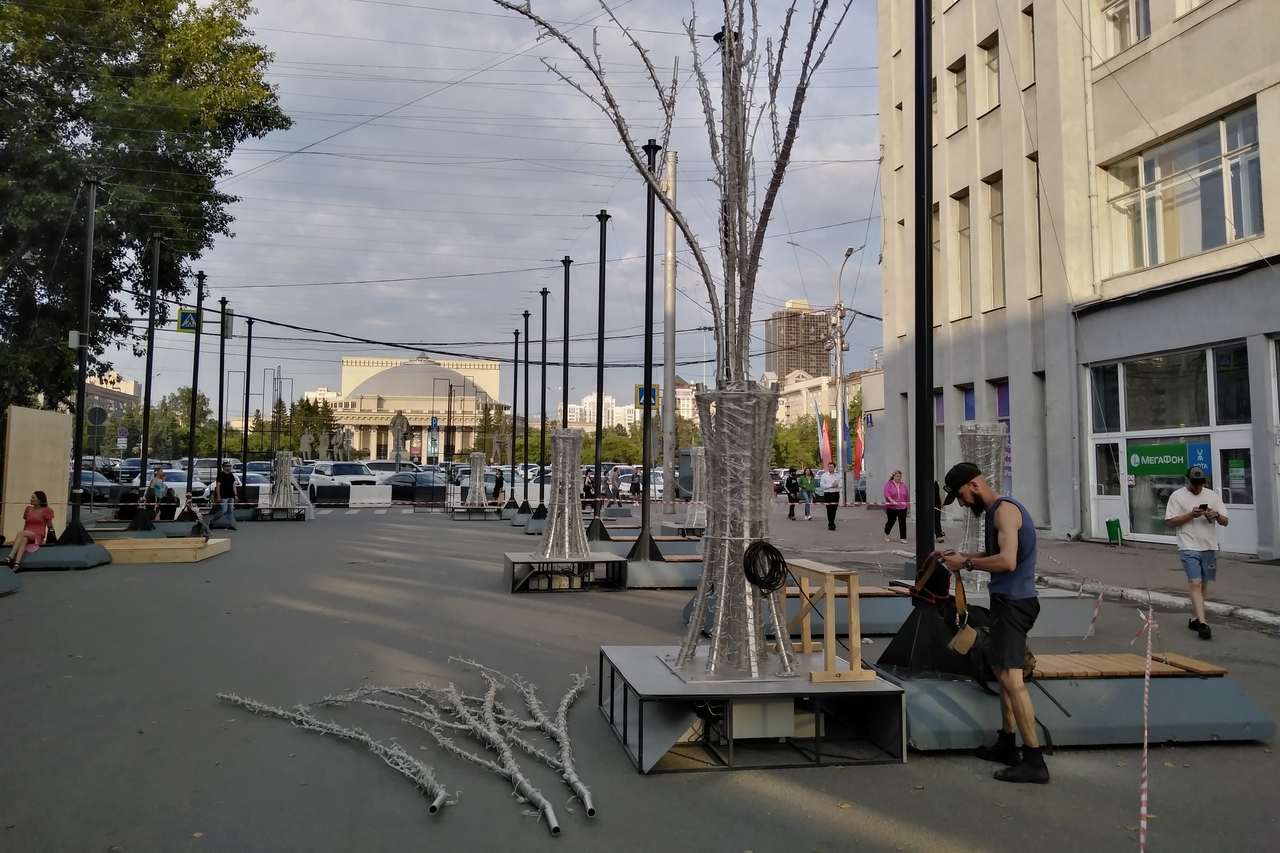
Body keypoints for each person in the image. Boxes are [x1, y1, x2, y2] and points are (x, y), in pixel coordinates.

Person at [940, 461, 1048, 784]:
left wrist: (967, 564)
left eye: (961, 496)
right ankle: (1007, 742)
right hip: (1005, 601)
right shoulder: (995, 512)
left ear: (974, 485)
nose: (961, 504)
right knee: (1001, 672)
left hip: (1015, 604)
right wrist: (961, 557)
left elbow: (1007, 560)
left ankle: (1034, 761)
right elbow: (994, 553)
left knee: (1012, 679)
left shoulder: (1004, 512)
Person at [1165, 465, 1229, 640]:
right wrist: (1190, 515)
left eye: (1201, 484)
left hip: (1208, 546)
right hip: (1188, 546)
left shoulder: (1212, 496)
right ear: (1188, 481)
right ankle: (1203, 624)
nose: (1198, 488)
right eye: (1195, 484)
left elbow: (1225, 521)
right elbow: (1170, 522)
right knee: (1195, 583)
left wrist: (1215, 515)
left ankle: (1194, 619)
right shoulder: (1177, 496)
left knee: (1204, 585)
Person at [3, 491, 54, 572]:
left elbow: (50, 525)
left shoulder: (46, 510)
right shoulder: (28, 509)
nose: (31, 499)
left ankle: (11, 556)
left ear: (39, 500)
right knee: (24, 539)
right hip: (27, 533)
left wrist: (52, 535)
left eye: (33, 498)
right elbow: (26, 524)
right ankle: (17, 564)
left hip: (38, 534)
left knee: (21, 532)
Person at [208, 461, 239, 530]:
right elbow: (218, 486)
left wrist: (235, 495)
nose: (229, 467)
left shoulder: (231, 475)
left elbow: (233, 485)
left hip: (231, 495)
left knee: (230, 511)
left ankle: (229, 525)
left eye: (230, 466)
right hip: (224, 495)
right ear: (223, 467)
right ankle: (212, 521)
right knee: (223, 510)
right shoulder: (221, 475)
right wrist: (218, 496)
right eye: (227, 466)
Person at [883, 470, 910, 543]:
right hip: (892, 507)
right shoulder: (888, 484)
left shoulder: (903, 485)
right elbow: (886, 493)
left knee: (902, 522)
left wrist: (907, 504)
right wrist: (891, 500)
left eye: (900, 477)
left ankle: (903, 538)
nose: (899, 478)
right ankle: (887, 533)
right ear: (893, 476)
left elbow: (906, 495)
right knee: (891, 521)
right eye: (897, 476)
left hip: (902, 507)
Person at [818, 461, 841, 530]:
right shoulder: (824, 475)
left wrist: (837, 485)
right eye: (829, 467)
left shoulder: (838, 476)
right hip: (828, 494)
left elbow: (841, 484)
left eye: (831, 467)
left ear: (834, 468)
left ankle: (832, 522)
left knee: (834, 509)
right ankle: (831, 523)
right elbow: (822, 485)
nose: (830, 468)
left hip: (835, 493)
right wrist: (830, 485)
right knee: (829, 509)